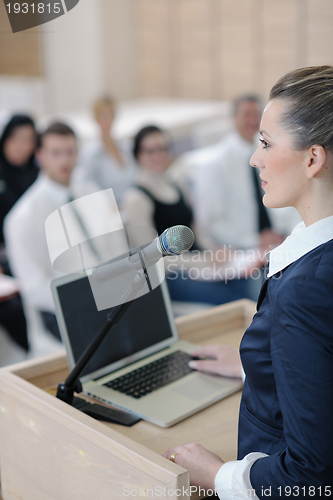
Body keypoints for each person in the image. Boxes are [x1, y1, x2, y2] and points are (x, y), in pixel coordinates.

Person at [163, 66, 333, 498]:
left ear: (312, 159)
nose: (255, 157)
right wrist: (255, 367)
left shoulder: (304, 289)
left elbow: (309, 479)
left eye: (265, 143)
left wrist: (218, 477)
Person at [123, 125, 258, 306]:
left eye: (163, 149)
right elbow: (152, 260)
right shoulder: (136, 199)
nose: (158, 156)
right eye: (150, 151)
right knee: (232, 297)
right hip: (173, 275)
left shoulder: (177, 185)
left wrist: (215, 250)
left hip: (202, 266)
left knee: (251, 280)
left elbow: (196, 232)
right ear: (138, 155)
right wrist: (203, 261)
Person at [4, 122, 103, 341]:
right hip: (65, 313)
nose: (64, 160)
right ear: (40, 156)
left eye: (70, 152)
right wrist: (90, 298)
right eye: (56, 153)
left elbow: (111, 249)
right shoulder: (23, 218)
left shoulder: (90, 192)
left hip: (109, 296)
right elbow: (35, 288)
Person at [193, 95, 300, 253]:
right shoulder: (215, 164)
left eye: (256, 114)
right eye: (245, 115)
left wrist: (291, 234)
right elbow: (211, 221)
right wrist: (254, 241)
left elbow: (289, 200)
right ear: (233, 118)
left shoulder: (273, 153)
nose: (252, 120)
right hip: (243, 250)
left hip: (281, 241)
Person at [0, 114, 39, 352]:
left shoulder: (36, 175)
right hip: (5, 258)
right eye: (16, 138)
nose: (20, 146)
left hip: (31, 251)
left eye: (28, 140)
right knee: (14, 309)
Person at [75, 96, 136, 207]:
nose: (106, 120)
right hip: (111, 212)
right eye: (102, 115)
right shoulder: (90, 154)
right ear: (95, 119)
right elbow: (86, 188)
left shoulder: (126, 147)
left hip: (134, 206)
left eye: (110, 115)